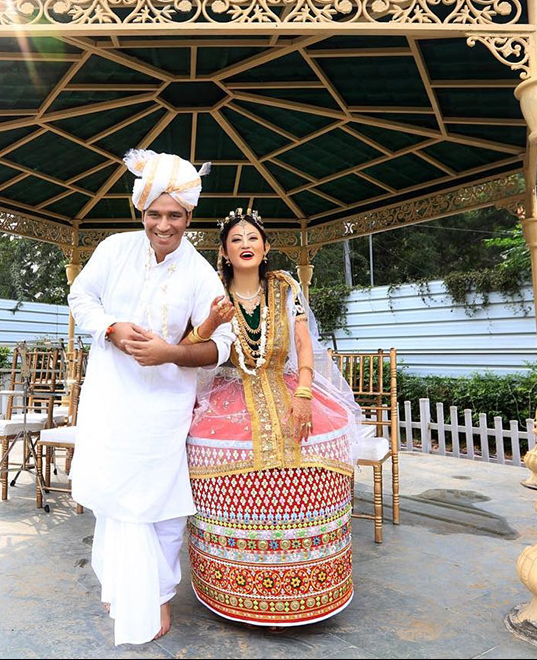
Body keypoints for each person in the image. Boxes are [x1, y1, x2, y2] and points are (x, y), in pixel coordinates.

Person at [67, 149, 234, 646]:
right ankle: (119, 583)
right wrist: (111, 328)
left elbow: (220, 346)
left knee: (163, 503)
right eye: (155, 214)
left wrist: (169, 353)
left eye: (175, 215)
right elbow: (81, 297)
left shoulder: (201, 271)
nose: (165, 225)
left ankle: (158, 594)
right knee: (113, 494)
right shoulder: (114, 249)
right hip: (111, 397)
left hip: (164, 407)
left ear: (189, 217)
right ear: (142, 212)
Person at [186, 207, 361, 628]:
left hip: (289, 387)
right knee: (215, 450)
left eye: (252, 238)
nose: (245, 244)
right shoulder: (210, 291)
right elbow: (190, 345)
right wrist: (212, 320)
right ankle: (234, 588)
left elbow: (304, 345)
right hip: (227, 394)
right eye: (235, 239)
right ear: (225, 252)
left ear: (265, 247)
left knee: (317, 441)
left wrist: (303, 394)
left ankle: (308, 591)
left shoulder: (284, 286)